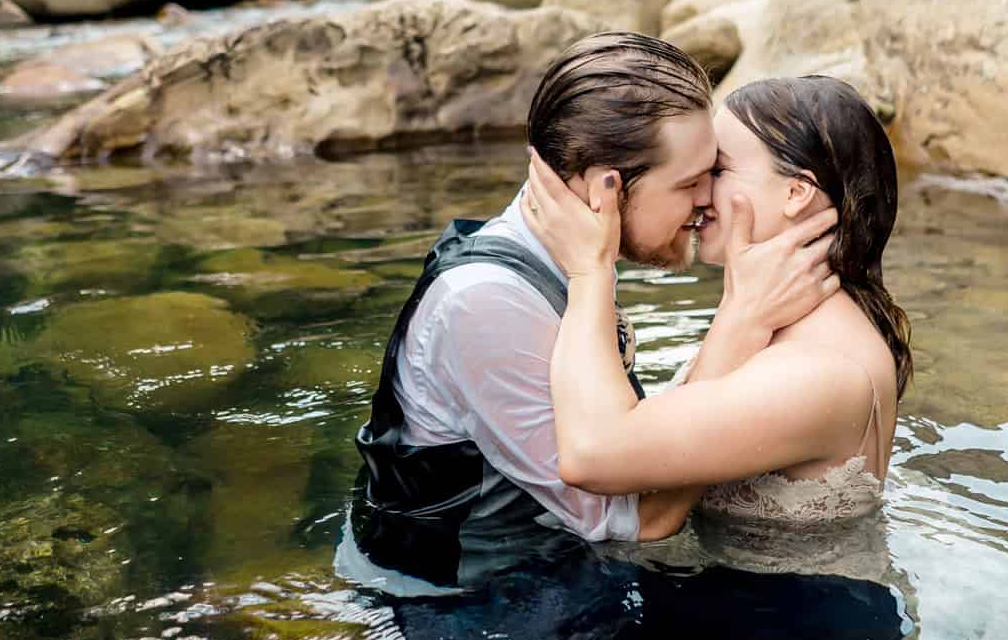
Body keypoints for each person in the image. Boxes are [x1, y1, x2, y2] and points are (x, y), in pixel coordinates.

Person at [351, 34, 840, 583]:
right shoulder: (484, 304)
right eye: (689, 182)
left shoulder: (572, 257)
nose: (708, 200)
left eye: (714, 172)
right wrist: (740, 322)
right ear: (600, 190)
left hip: (558, 571)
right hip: (472, 611)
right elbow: (639, 519)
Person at [524, 75, 912, 526]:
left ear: (796, 193)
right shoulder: (780, 316)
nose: (700, 193)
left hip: (792, 598)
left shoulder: (819, 369)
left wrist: (590, 270)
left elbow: (591, 456)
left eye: (719, 169)